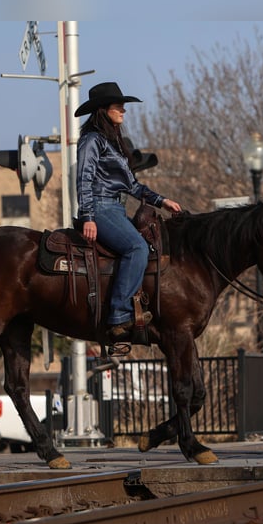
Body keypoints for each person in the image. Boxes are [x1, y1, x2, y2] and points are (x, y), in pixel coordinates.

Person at [75, 81, 182, 343]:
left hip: (116, 207)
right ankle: (119, 315)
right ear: (103, 110)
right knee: (137, 248)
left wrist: (161, 200)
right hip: (100, 207)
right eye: (118, 106)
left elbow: (132, 185)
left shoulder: (113, 143)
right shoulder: (92, 141)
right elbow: (84, 178)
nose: (123, 110)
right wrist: (87, 216)